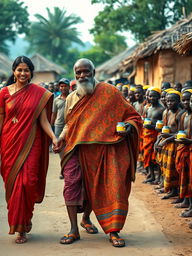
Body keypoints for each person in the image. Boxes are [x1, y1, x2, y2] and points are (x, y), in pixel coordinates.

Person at [54, 58, 142, 247]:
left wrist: (128, 125)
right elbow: (69, 124)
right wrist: (60, 138)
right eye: (79, 72)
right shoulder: (71, 97)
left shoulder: (110, 92)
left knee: (110, 187)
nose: (82, 75)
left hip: (105, 149)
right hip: (76, 149)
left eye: (86, 71)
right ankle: (73, 230)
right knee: (71, 186)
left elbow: (132, 115)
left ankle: (113, 231)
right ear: (75, 74)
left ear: (94, 72)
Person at [0, 56, 57, 244]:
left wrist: (54, 137)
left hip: (31, 144)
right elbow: (0, 121)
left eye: (26, 70)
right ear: (13, 71)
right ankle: (20, 228)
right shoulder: (4, 92)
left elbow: (43, 121)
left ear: (31, 72)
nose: (22, 73)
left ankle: (26, 219)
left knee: (28, 182)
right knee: (14, 186)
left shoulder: (39, 93)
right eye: (19, 69)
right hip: (9, 144)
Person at [142, 88, 164, 184]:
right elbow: (145, 119)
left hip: (156, 135)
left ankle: (159, 177)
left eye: (153, 96)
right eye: (150, 96)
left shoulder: (162, 110)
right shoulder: (147, 108)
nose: (151, 98)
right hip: (147, 135)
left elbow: (163, 125)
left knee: (156, 158)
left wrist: (151, 126)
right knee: (147, 155)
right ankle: (151, 175)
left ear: (158, 97)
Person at [51, 78, 70, 179]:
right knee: (60, 149)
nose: (63, 88)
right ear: (59, 87)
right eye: (61, 86)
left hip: (70, 125)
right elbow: (53, 114)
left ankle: (69, 169)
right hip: (58, 126)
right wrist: (51, 126)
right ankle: (63, 170)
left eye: (65, 86)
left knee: (70, 148)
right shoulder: (56, 100)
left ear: (68, 87)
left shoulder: (72, 97)